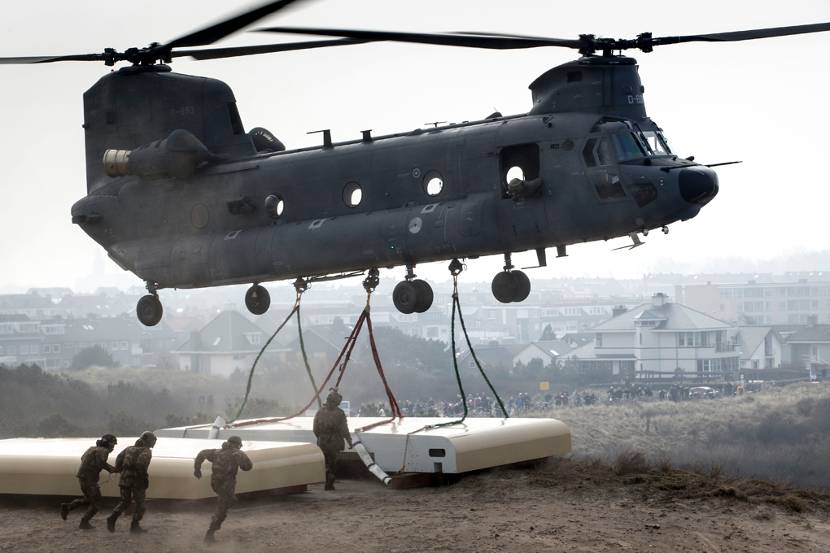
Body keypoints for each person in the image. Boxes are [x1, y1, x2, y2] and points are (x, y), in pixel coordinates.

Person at [194, 435, 253, 543]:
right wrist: (240, 460)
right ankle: (210, 533)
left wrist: (197, 469)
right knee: (223, 509)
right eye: (240, 445)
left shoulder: (216, 452)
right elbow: (248, 467)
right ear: (238, 444)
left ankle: (226, 504)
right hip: (227, 485)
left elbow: (202, 453)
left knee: (227, 502)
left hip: (215, 483)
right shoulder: (238, 453)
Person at [60, 434, 118, 529]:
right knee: (97, 502)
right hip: (89, 479)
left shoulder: (91, 448)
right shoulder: (104, 451)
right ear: (108, 443)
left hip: (82, 476)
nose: (113, 446)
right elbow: (101, 463)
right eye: (113, 444)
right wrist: (113, 469)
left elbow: (82, 458)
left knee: (88, 499)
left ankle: (68, 507)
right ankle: (84, 522)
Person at [106, 431, 156, 534]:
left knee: (125, 501)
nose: (154, 442)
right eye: (153, 440)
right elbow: (141, 465)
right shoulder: (146, 451)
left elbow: (119, 460)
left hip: (125, 478)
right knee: (140, 504)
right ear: (148, 441)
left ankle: (112, 518)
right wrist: (144, 479)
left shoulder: (128, 449)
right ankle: (134, 526)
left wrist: (121, 469)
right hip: (137, 480)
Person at [313, 389, 353, 491]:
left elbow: (315, 429)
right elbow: (344, 430)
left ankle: (327, 477)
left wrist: (320, 438)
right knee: (333, 464)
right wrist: (349, 441)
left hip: (322, 441)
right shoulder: (340, 413)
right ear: (336, 402)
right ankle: (329, 482)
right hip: (335, 442)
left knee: (325, 462)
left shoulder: (320, 411)